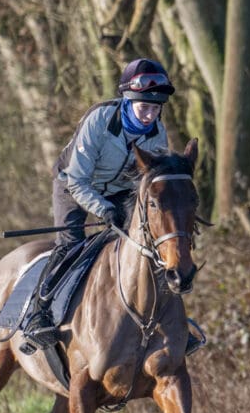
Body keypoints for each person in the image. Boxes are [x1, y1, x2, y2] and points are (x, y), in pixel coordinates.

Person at [21, 57, 175, 351]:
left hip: (119, 190)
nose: (150, 115)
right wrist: (103, 208)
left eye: (156, 109)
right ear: (128, 101)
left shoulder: (158, 134)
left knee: (145, 244)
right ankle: (38, 314)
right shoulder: (100, 120)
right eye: (145, 107)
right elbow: (79, 180)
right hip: (73, 184)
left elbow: (148, 183)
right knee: (71, 244)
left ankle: (166, 318)